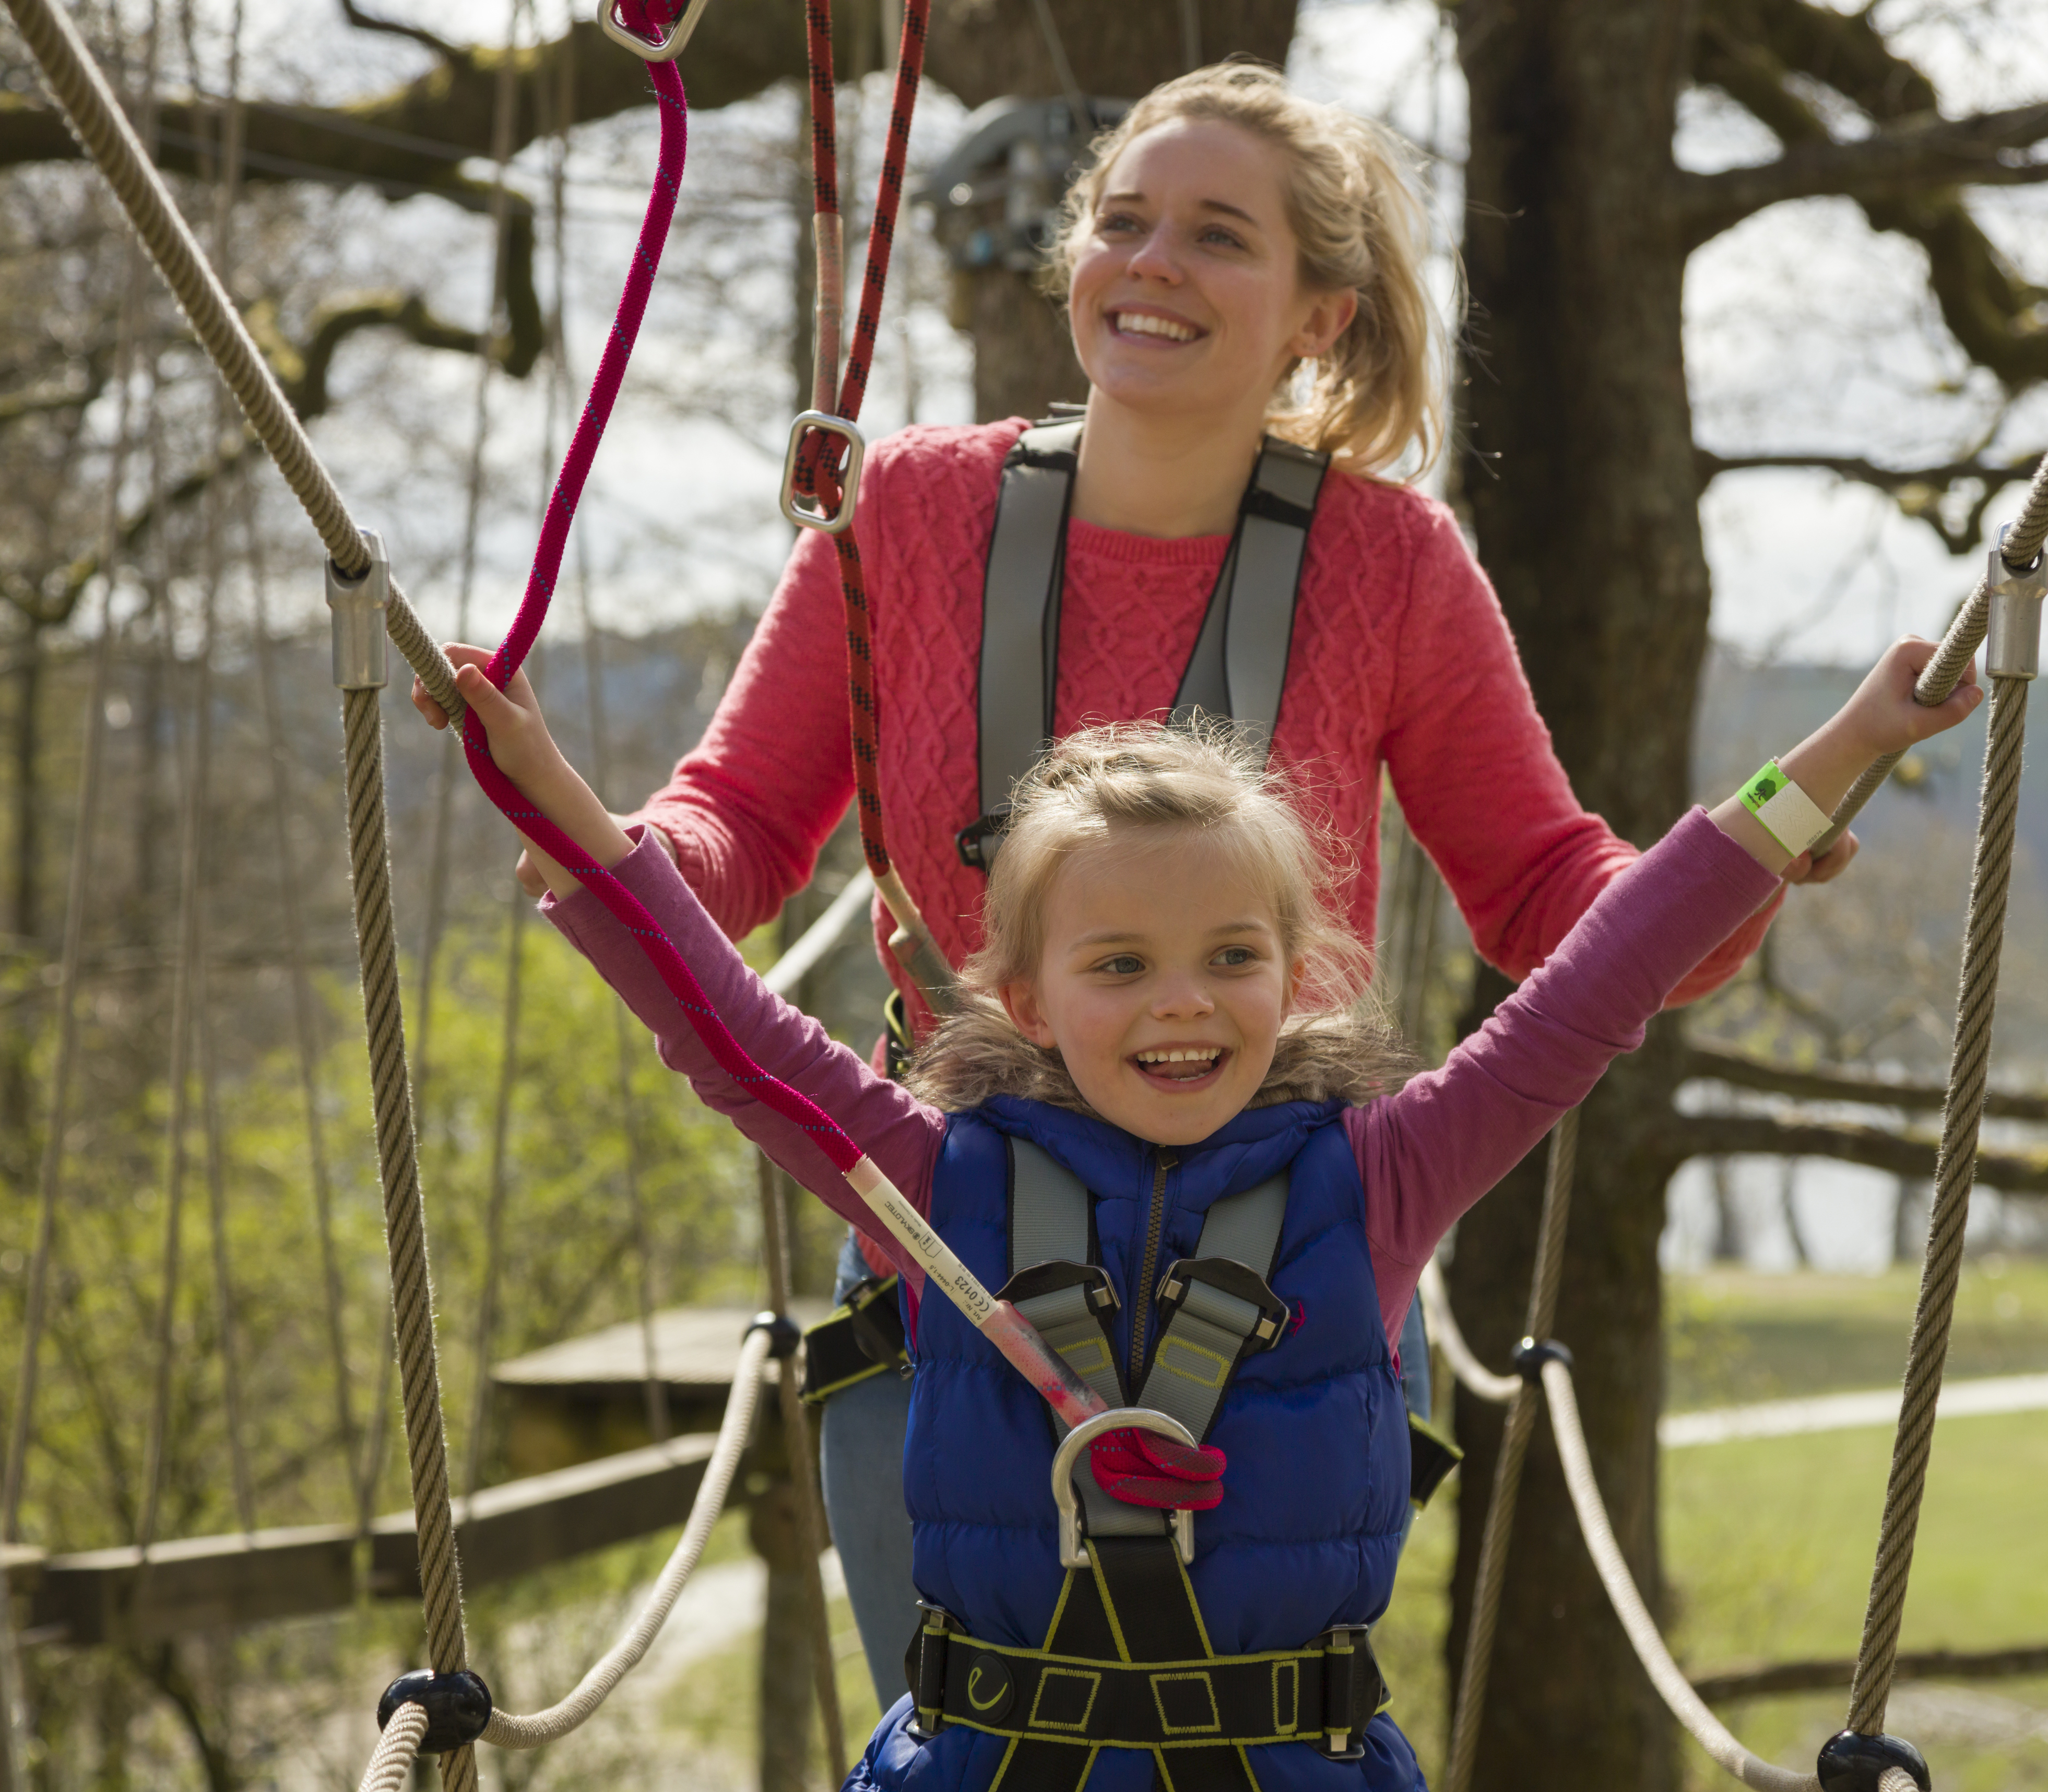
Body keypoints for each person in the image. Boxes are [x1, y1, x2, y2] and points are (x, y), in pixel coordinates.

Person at [494, 63, 1853, 1703]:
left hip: (1287, 1266)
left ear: (1320, 315)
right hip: (957, 1241)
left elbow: (1550, 894)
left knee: (1253, 1737)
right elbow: (742, 822)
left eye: (1219, 236)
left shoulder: (1392, 566)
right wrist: (615, 856)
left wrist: (1735, 878)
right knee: (977, 1725)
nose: (1152, 264)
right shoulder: (904, 514)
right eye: (1123, 222)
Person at [419, 629, 1978, 1790]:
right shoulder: (935, 1176)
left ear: (1296, 974)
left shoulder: (1379, 1173)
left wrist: (1841, 748)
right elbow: (731, 1034)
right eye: (1120, 966)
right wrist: (549, 789)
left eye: (1233, 955)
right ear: (1021, 994)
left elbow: (1604, 979)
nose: (1186, 1004)